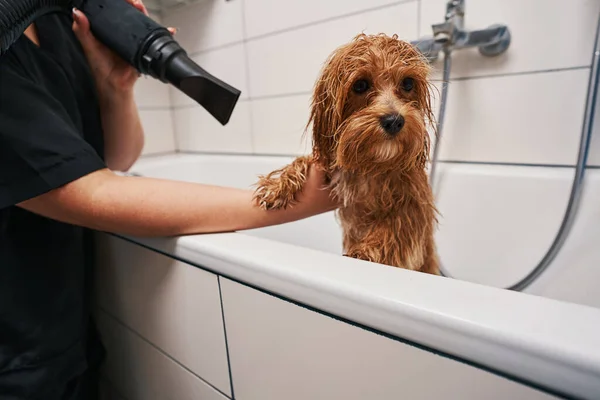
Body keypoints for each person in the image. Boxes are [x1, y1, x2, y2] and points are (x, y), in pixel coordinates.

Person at [0, 1, 337, 398]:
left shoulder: (61, 24)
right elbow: (89, 191)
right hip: (16, 345)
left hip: (67, 315)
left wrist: (115, 87)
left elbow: (116, 159)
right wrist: (305, 195)